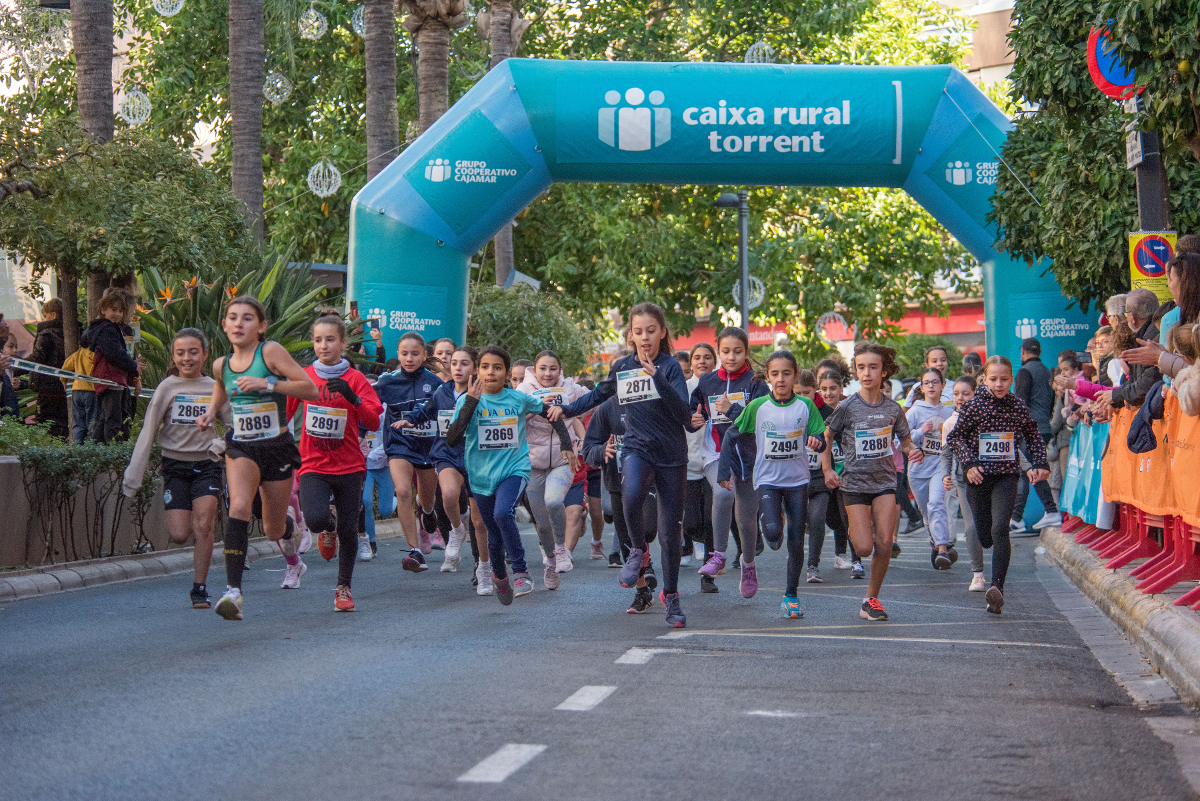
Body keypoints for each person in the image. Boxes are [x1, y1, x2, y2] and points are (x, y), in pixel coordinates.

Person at [552, 302, 694, 627]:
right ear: (630, 334)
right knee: (629, 496)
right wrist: (568, 409)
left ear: (662, 332)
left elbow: (685, 416)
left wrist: (656, 378)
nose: (645, 338)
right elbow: (599, 394)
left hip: (672, 455)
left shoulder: (670, 367)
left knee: (670, 533)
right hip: (636, 448)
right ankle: (638, 551)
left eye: (651, 331)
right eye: (638, 331)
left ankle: (671, 597)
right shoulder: (621, 366)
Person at [197, 296, 319, 621]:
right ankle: (233, 592)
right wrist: (210, 413)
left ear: (261, 327)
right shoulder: (220, 364)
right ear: (224, 325)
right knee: (238, 507)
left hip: (276, 445)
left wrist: (268, 384)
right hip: (242, 445)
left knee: (273, 529)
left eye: (247, 318)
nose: (239, 323)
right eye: (232, 317)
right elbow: (222, 390)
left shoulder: (270, 352)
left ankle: (293, 546)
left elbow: (310, 390)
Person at [444, 346, 576, 604]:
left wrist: (566, 444)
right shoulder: (466, 400)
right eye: (484, 367)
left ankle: (520, 570)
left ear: (506, 373)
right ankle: (500, 576)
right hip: (480, 476)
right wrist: (471, 402)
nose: (490, 372)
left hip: (513, 469)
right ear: (477, 370)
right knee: (493, 530)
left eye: (497, 367)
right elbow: (452, 439)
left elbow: (551, 413)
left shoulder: (518, 399)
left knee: (502, 513)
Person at [122, 329, 229, 609]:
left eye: (193, 352)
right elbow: (148, 430)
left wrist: (220, 445)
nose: (187, 358)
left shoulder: (215, 386)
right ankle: (197, 549)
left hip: (208, 463)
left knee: (204, 525)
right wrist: (134, 475)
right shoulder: (167, 387)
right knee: (179, 535)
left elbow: (234, 424)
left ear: (205, 355)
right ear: (174, 356)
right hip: (175, 466)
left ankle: (200, 588)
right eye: (181, 353)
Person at [823, 341, 924, 622]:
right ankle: (861, 524)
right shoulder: (847, 407)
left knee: (885, 543)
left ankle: (871, 599)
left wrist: (912, 450)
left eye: (873, 367)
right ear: (856, 371)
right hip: (854, 484)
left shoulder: (893, 408)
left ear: (884, 371)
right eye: (861, 367)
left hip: (884, 483)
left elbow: (905, 442)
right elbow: (826, 437)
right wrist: (828, 469)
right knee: (864, 548)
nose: (866, 373)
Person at [287, 315, 382, 612]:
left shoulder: (356, 379)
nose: (323, 345)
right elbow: (284, 414)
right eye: (318, 340)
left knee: (350, 528)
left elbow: (374, 421)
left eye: (330, 340)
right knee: (315, 519)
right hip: (313, 463)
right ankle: (328, 526)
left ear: (343, 343)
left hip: (350, 465)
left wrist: (353, 398)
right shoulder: (304, 376)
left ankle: (343, 587)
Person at [719, 351, 824, 616]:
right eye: (775, 374)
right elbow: (732, 435)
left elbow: (820, 435)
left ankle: (791, 596)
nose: (780, 379)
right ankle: (774, 521)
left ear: (795, 376)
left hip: (798, 481)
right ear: (768, 377)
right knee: (774, 533)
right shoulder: (757, 407)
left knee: (796, 541)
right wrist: (724, 469)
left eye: (786, 374)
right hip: (766, 480)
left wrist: (816, 440)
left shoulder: (805, 406)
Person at [947, 356, 1049, 615]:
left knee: (1000, 528)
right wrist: (969, 464)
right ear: (984, 379)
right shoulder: (975, 406)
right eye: (994, 379)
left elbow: (1033, 434)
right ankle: (989, 559)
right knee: (985, 534)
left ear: (1012, 379)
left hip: (1006, 475)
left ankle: (997, 588)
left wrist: (1040, 462)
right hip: (979, 477)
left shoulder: (1017, 406)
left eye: (1004, 379)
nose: (999, 384)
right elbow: (955, 437)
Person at [396, 346, 488, 577]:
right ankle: (456, 530)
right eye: (454, 363)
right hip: (446, 453)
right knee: (448, 495)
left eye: (464, 363)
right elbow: (425, 411)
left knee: (479, 520)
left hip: (476, 457)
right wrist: (409, 420)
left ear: (475, 368)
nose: (458, 367)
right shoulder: (441, 392)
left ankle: (482, 564)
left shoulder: (484, 393)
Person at [690, 327, 766, 593]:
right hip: (716, 453)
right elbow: (693, 411)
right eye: (725, 351)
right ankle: (718, 555)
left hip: (748, 457)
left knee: (746, 520)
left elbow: (758, 420)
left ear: (747, 352)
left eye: (737, 351)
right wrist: (693, 420)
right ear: (718, 351)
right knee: (723, 493)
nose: (731, 357)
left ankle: (748, 565)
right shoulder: (707, 381)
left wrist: (731, 409)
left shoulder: (756, 382)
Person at [515, 350, 588, 584]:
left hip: (563, 459)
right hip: (532, 463)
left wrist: (586, 436)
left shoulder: (571, 388)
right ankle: (549, 560)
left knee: (554, 501)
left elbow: (595, 402)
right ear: (534, 370)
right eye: (543, 368)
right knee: (542, 524)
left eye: (553, 368)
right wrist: (536, 407)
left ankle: (561, 549)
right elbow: (511, 420)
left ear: (560, 370)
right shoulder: (523, 390)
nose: (548, 373)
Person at [376, 332, 445, 572]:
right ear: (398, 354)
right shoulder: (387, 382)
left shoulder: (436, 384)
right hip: (399, 445)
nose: (409, 358)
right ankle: (414, 551)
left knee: (427, 499)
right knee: (403, 491)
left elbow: (447, 413)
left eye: (415, 354)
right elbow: (369, 405)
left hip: (427, 447)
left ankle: (427, 511)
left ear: (424, 355)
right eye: (404, 353)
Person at [940, 375, 987, 591]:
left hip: (990, 478)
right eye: (956, 394)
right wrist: (945, 475)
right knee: (971, 527)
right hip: (964, 481)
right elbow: (946, 454)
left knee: (991, 528)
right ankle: (978, 574)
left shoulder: (987, 417)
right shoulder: (950, 423)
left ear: (975, 394)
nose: (960, 398)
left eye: (965, 394)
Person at [1011, 337, 1061, 531]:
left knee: (1031, 471)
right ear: (1038, 352)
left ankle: (1050, 512)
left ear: (1022, 352)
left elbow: (1020, 403)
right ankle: (1017, 519)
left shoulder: (1024, 372)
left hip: (1030, 429)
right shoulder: (1047, 372)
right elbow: (1050, 403)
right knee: (1028, 471)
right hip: (1044, 428)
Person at [906, 367, 954, 569]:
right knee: (927, 512)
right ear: (922, 387)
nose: (931, 386)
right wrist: (920, 432)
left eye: (935, 382)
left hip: (938, 467)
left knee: (936, 503)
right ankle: (935, 544)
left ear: (943, 385)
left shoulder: (949, 412)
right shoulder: (915, 411)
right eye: (927, 383)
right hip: (918, 470)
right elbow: (900, 442)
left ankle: (943, 549)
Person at [82, 289, 141, 444]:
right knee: (113, 419)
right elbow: (116, 354)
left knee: (105, 418)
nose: (117, 314)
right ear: (103, 310)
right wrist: (133, 367)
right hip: (111, 379)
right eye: (113, 310)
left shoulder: (105, 329)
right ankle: (113, 451)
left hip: (112, 379)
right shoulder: (106, 330)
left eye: (121, 311)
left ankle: (97, 449)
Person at [817, 368, 860, 577]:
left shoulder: (848, 410)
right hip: (823, 474)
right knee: (831, 518)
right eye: (824, 389)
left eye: (833, 388)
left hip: (846, 473)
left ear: (841, 388)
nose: (828, 393)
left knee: (847, 517)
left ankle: (850, 558)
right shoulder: (817, 413)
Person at [682, 343, 715, 568]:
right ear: (691, 363)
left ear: (715, 361)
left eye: (707, 357)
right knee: (692, 522)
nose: (702, 361)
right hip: (688, 463)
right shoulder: (682, 389)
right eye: (697, 358)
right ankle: (695, 540)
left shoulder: (722, 388)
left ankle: (709, 572)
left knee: (711, 519)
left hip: (715, 461)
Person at [29, 298, 67, 438]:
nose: (43, 319)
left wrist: (15, 367)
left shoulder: (46, 334)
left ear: (54, 315)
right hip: (63, 388)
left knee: (45, 426)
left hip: (47, 389)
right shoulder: (71, 333)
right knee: (62, 427)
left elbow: (37, 358)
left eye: (45, 316)